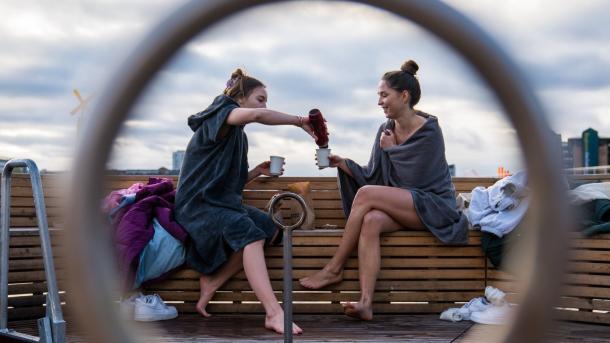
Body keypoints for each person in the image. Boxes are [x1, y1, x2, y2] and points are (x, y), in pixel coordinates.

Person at [299, 59, 469, 321]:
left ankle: (334, 268)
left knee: (366, 194)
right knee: (371, 219)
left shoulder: (430, 131)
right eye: (378, 95)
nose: (379, 101)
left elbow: (418, 179)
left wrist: (392, 150)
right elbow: (374, 175)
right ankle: (366, 303)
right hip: (408, 208)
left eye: (384, 95)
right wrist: (342, 163)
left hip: (435, 207)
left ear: (404, 96)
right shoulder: (386, 129)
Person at [175, 68, 316, 335]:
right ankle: (274, 313)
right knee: (249, 236)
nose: (264, 105)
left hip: (220, 204)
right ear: (240, 98)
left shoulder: (236, 134)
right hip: (198, 207)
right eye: (260, 98)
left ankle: (213, 282)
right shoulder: (219, 114)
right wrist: (300, 121)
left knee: (269, 228)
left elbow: (228, 183)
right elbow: (258, 115)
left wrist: (255, 173)